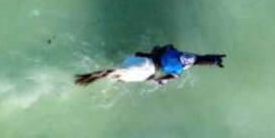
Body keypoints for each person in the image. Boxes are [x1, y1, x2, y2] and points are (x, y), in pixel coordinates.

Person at [75, 45, 226, 86]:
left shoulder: (172, 51)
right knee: (122, 78)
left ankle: (92, 76)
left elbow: (162, 48)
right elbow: (167, 78)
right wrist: (159, 81)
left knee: (136, 57)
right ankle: (97, 78)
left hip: (146, 61)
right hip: (149, 72)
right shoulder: (179, 71)